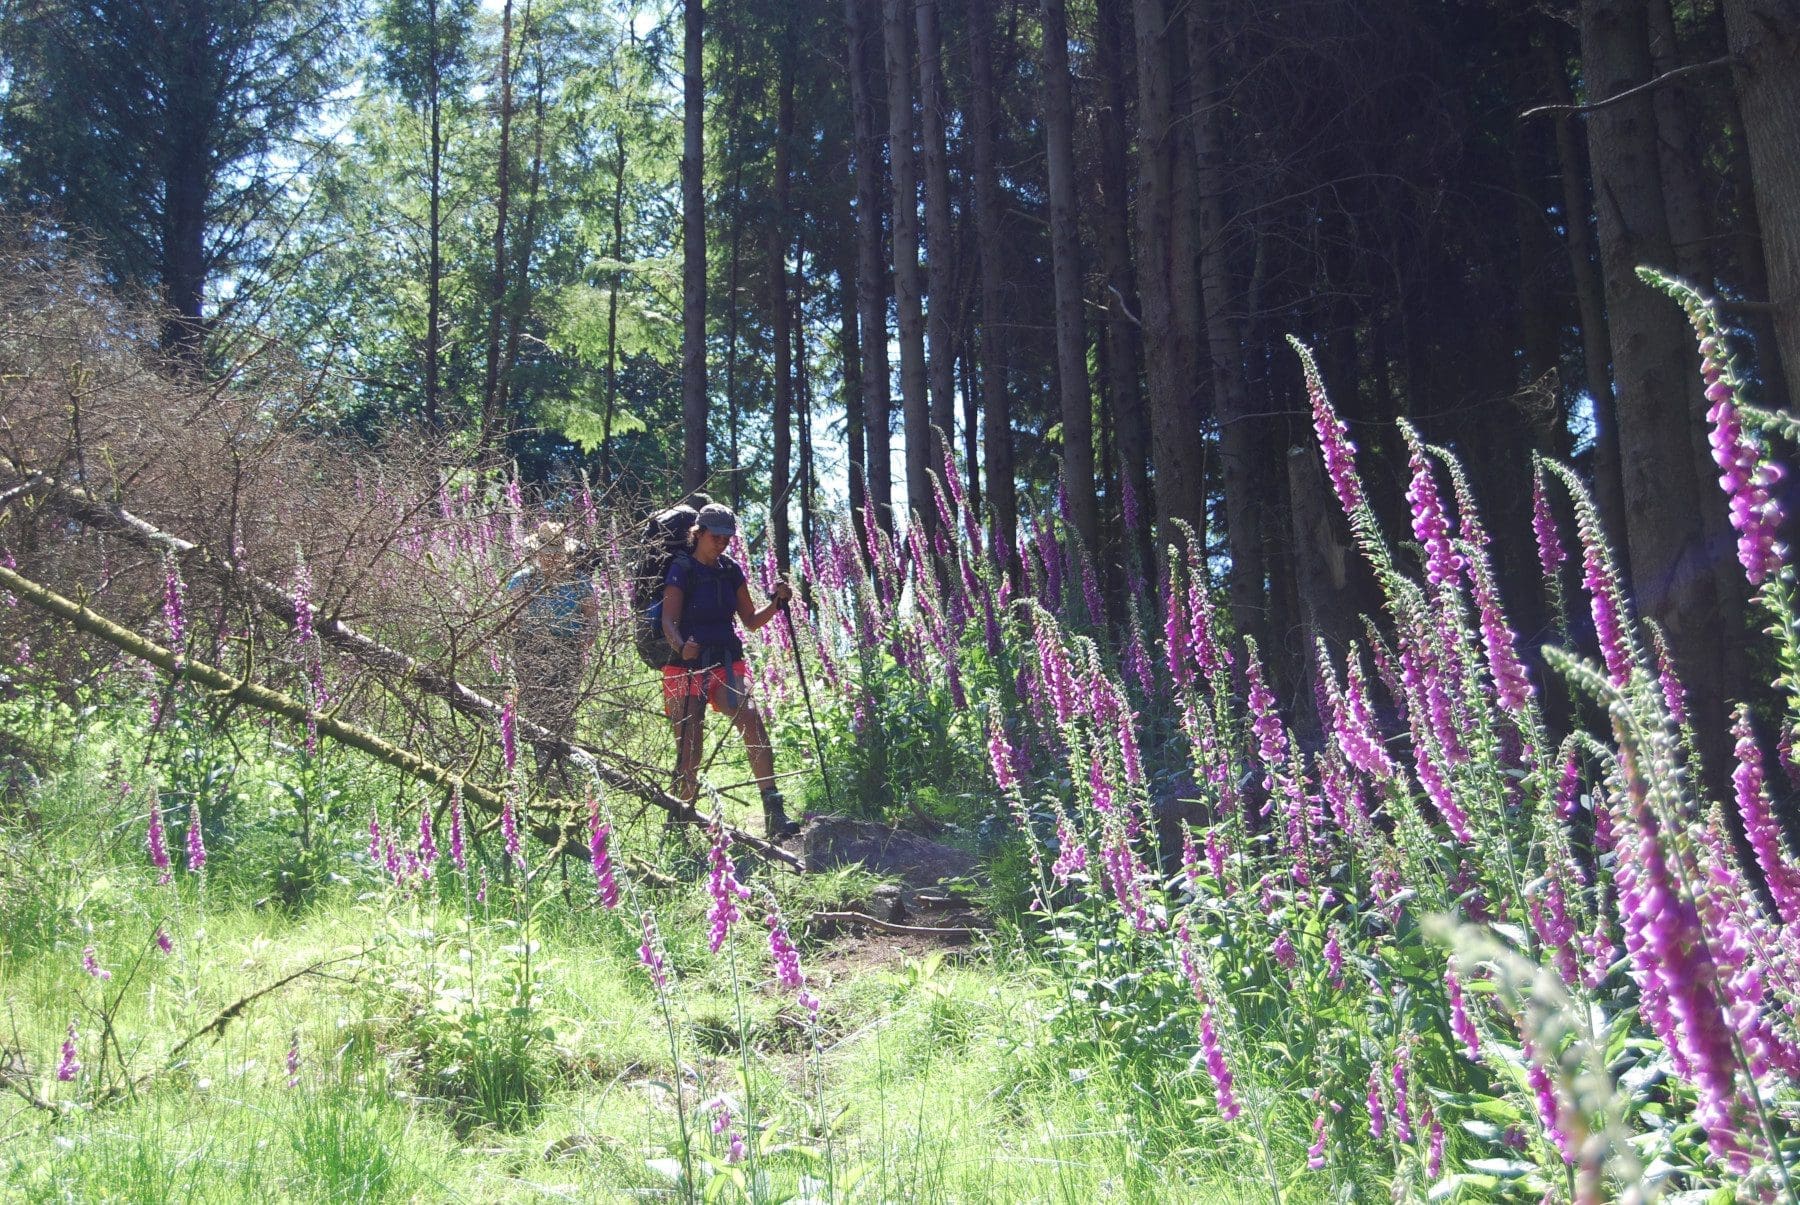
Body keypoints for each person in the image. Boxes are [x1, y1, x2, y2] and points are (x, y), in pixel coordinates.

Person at [659, 503, 798, 838]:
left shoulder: (730, 570)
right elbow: (668, 620)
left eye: (727, 537)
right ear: (699, 533)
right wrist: (681, 646)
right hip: (684, 666)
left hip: (725, 660)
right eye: (716, 536)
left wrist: (777, 603)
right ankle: (680, 822)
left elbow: (750, 622)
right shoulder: (681, 568)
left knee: (750, 719)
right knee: (690, 745)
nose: (722, 542)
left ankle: (774, 812)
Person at [506, 521, 599, 792]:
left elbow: (592, 617)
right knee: (536, 711)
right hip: (531, 652)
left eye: (557, 551)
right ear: (536, 552)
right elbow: (512, 615)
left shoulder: (580, 582)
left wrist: (587, 635)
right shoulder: (522, 579)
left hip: (567, 652)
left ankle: (564, 772)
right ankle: (544, 774)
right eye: (546, 551)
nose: (552, 557)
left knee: (563, 711)